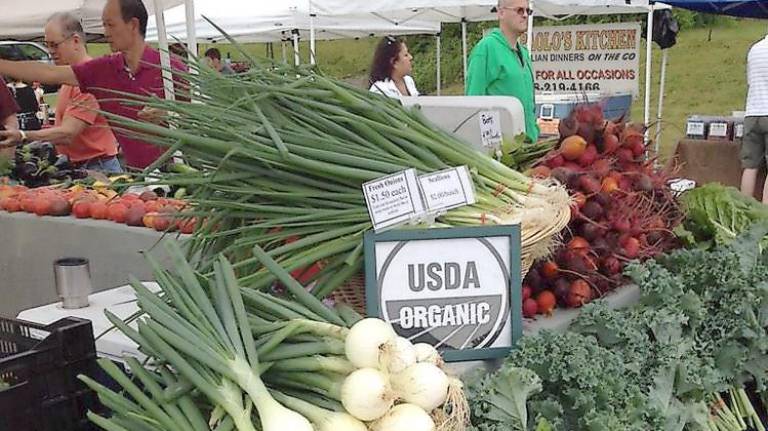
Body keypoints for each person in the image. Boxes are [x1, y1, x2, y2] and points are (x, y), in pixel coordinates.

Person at [0, 0, 186, 170]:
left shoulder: (172, 69)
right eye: (104, 25)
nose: (105, 32)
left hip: (178, 172)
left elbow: (202, 119)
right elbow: (48, 73)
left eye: (110, 25)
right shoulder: (104, 69)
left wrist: (169, 113)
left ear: (133, 25)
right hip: (137, 177)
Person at [0, 13, 121, 173]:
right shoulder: (71, 78)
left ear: (76, 41)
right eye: (47, 45)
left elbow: (68, 133)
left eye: (54, 45)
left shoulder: (90, 80)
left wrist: (24, 135)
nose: (50, 51)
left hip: (96, 168)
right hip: (81, 166)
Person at [466, 0, 539, 142]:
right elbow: (471, 104)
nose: (525, 15)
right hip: (504, 150)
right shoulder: (486, 49)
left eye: (527, 11)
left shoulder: (523, 53)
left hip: (529, 146)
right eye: (519, 10)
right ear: (501, 13)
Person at [741, 34, 768, 203]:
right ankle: (766, 216)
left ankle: (744, 209)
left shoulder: (755, 49)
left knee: (750, 167)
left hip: (752, 113)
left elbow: (750, 81)